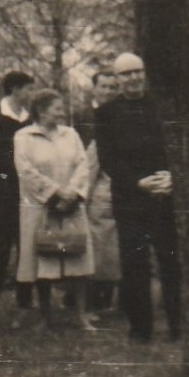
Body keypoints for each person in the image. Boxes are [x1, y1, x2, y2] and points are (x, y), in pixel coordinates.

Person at [95, 52, 181, 343]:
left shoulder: (163, 106)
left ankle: (178, 326)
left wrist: (172, 176)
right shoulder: (106, 113)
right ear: (117, 80)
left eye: (137, 71)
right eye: (125, 74)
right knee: (134, 264)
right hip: (131, 198)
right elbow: (107, 158)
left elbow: (177, 146)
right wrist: (138, 182)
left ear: (144, 73)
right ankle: (140, 329)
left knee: (171, 262)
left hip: (166, 195)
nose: (132, 78)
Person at [13, 88, 95, 331]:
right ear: (41, 110)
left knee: (78, 256)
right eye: (57, 108)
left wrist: (72, 192)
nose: (61, 113)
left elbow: (83, 165)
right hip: (40, 207)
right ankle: (46, 316)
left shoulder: (70, 134)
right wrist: (54, 193)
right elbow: (25, 170)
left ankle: (81, 315)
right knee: (43, 258)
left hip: (71, 206)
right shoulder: (23, 137)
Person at [0, 70, 36, 318]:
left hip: (27, 191)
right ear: (15, 89)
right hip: (3, 192)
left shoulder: (30, 118)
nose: (31, 94)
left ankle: (25, 302)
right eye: (28, 89)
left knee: (26, 245)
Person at [72, 70, 122, 313]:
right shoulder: (83, 116)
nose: (109, 92)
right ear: (95, 89)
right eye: (104, 87)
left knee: (111, 244)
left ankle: (106, 298)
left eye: (113, 87)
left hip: (111, 182)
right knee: (94, 240)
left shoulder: (123, 113)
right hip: (88, 178)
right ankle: (83, 297)